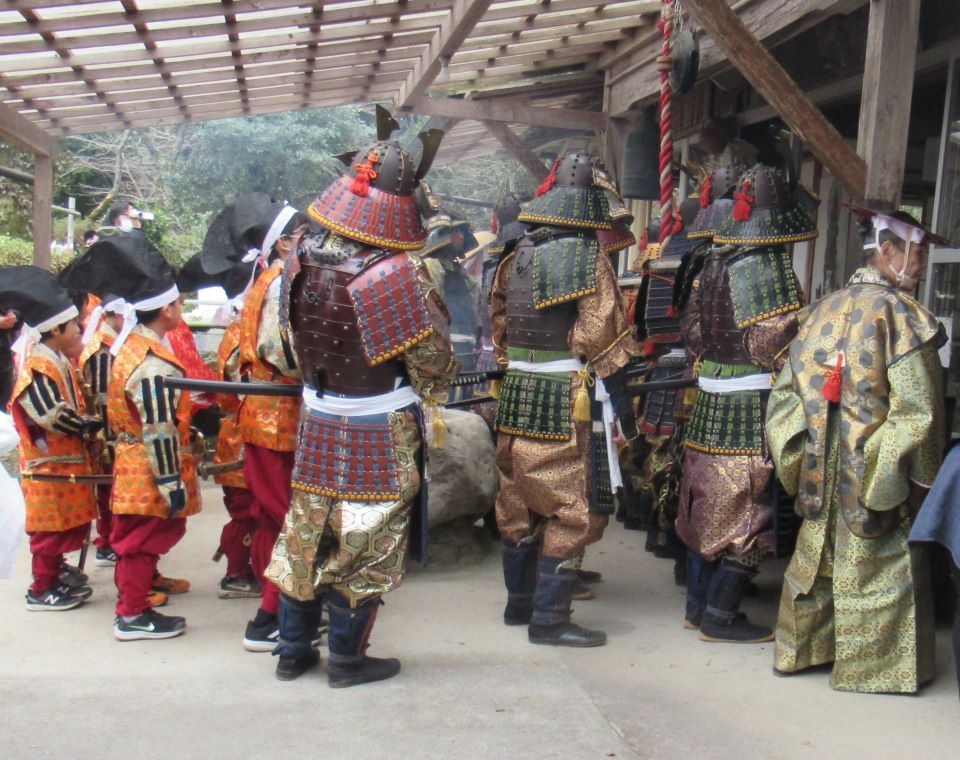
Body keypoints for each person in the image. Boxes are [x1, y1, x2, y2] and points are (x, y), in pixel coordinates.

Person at [265, 111, 457, 686]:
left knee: (308, 530)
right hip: (378, 426)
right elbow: (433, 367)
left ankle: (292, 651)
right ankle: (347, 659)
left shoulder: (296, 260)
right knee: (366, 536)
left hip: (318, 419)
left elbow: (281, 351)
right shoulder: (398, 273)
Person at [768, 206, 949, 693]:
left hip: (821, 466)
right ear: (888, 251)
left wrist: (802, 456)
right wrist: (917, 479)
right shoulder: (904, 317)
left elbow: (784, 396)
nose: (921, 264)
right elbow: (921, 410)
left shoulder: (822, 310)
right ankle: (873, 668)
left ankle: (802, 651)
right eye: (918, 254)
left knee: (817, 558)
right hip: (873, 467)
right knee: (882, 563)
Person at [491, 150, 640, 647]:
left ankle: (519, 605)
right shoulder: (588, 259)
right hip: (562, 397)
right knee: (567, 507)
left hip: (517, 394)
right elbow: (602, 332)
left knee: (516, 499)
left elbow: (500, 329)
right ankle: (550, 619)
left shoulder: (515, 257)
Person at [676, 164, 815, 643]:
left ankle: (697, 607)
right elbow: (769, 345)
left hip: (709, 406)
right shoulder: (770, 266)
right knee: (750, 515)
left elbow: (692, 331)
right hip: (748, 411)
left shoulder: (712, 262)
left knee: (704, 510)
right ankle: (720, 614)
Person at [61, 233, 201, 640]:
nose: (182, 309)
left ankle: (133, 609)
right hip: (147, 465)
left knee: (136, 538)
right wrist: (170, 479)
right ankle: (133, 614)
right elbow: (159, 427)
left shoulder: (133, 347)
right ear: (167, 309)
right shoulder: (152, 360)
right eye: (178, 303)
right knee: (141, 540)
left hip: (133, 462)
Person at [200, 193, 309, 651]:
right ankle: (273, 616)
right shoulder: (282, 282)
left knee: (274, 516)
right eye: (306, 237)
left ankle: (278, 611)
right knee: (289, 518)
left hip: (264, 419)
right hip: (278, 420)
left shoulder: (269, 280)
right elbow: (283, 355)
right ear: (285, 243)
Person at [2, 266, 98, 610]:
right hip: (47, 466)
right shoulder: (38, 366)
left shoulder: (57, 359)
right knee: (49, 532)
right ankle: (42, 588)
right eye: (75, 326)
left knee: (63, 528)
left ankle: (55, 575)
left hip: (63, 465)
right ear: (55, 329)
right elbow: (49, 412)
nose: (80, 331)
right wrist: (86, 426)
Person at [176, 252, 260, 599]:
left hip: (237, 430)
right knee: (248, 512)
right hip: (243, 433)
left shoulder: (240, 330)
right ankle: (237, 573)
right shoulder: (246, 334)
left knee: (249, 509)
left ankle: (242, 569)